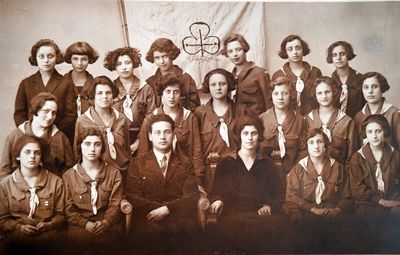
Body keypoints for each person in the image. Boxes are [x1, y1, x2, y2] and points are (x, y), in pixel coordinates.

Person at [208, 113, 295, 253]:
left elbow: (278, 194)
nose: (249, 137)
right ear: (239, 136)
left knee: (280, 227)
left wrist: (269, 205)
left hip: (260, 215)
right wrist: (217, 200)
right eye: (245, 133)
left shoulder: (268, 165)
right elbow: (216, 192)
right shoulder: (226, 163)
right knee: (236, 227)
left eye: (254, 133)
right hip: (234, 215)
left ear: (259, 136)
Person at [126, 113, 199, 253]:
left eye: (167, 132)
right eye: (157, 132)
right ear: (150, 136)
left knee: (188, 231)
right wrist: (157, 209)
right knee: (148, 235)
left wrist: (167, 209)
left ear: (173, 135)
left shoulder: (186, 162)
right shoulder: (137, 163)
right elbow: (132, 197)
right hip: (148, 217)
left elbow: (192, 196)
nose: (162, 137)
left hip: (178, 218)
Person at [284, 128, 352, 252]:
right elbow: (291, 196)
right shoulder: (299, 169)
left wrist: (337, 209)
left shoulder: (338, 167)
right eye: (311, 142)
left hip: (331, 213)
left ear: (325, 145)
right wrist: (312, 209)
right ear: (306, 146)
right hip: (307, 212)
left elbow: (347, 195)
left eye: (320, 141)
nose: (316, 146)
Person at [0, 135, 65, 254]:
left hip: (47, 239)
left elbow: (60, 215)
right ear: (18, 156)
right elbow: (2, 220)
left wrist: (48, 225)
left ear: (42, 157)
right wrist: (19, 228)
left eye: (37, 153)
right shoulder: (6, 184)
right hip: (16, 240)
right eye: (27, 152)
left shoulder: (56, 182)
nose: (32, 156)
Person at [137, 74, 205, 187]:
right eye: (168, 92)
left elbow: (196, 152)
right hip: (157, 175)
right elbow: (143, 153)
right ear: (161, 94)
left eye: (176, 92)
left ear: (181, 94)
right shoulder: (150, 119)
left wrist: (198, 180)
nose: (172, 96)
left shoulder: (189, 117)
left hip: (184, 174)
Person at [63, 128, 123, 251]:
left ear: (102, 148)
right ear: (80, 146)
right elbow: (68, 209)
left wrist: (106, 222)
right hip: (79, 226)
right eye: (87, 144)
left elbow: (115, 205)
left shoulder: (114, 173)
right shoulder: (69, 176)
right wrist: (85, 224)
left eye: (97, 144)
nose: (92, 149)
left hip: (107, 225)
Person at [349, 114, 400, 252]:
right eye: (370, 132)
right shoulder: (357, 158)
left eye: (378, 131)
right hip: (368, 203)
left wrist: (394, 200)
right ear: (365, 134)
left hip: (392, 200)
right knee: (370, 221)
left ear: (385, 132)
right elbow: (356, 188)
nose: (375, 136)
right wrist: (381, 201)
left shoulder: (395, 155)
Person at [14, 39, 76, 142]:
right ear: (35, 58)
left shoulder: (66, 83)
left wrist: (54, 133)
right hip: (30, 138)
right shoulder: (26, 83)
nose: (46, 60)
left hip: (57, 137)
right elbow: (19, 114)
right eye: (41, 56)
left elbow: (70, 115)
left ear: (57, 58)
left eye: (50, 56)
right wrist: (30, 132)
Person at [0, 92, 74, 179]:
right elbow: (4, 172)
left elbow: (69, 171)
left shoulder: (61, 138)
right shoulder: (15, 136)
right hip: (20, 190)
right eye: (46, 111)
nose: (50, 117)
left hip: (52, 190)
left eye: (53, 113)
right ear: (36, 110)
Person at [74, 76, 131, 178]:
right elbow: (78, 153)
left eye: (108, 93)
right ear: (93, 96)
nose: (104, 96)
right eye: (99, 93)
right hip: (95, 175)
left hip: (121, 173)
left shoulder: (121, 119)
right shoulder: (83, 121)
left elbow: (126, 149)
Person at [259, 76, 307, 191]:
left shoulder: (300, 121)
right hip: (265, 176)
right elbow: (256, 150)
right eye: (276, 94)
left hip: (292, 176)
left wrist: (295, 173)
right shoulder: (262, 119)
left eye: (284, 93)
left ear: (291, 95)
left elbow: (303, 151)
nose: (280, 98)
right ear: (271, 95)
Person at [104, 47, 155, 153]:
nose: (124, 67)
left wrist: (138, 142)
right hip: (116, 139)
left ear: (134, 63)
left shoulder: (145, 88)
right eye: (119, 64)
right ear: (114, 66)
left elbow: (151, 117)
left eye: (127, 63)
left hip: (143, 137)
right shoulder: (109, 89)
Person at [195, 68, 238, 192]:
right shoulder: (199, 113)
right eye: (213, 84)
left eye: (222, 84)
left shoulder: (240, 111)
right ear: (208, 87)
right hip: (208, 176)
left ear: (229, 85)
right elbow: (195, 149)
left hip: (235, 171)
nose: (218, 88)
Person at [305, 76, 358, 167]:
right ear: (315, 95)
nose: (324, 96)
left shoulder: (347, 121)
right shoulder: (308, 120)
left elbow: (352, 156)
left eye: (327, 92)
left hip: (340, 174)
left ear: (333, 92)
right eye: (319, 93)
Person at [221, 34, 272, 116]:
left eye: (238, 49)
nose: (235, 54)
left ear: (244, 49)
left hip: (256, 124)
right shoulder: (229, 77)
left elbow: (269, 104)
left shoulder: (259, 73)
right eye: (230, 51)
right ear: (226, 54)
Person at [272, 34, 322, 115]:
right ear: (286, 52)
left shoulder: (315, 72)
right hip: (290, 121)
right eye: (290, 49)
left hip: (313, 119)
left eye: (298, 48)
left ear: (303, 50)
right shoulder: (278, 75)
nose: (295, 52)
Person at [145, 38, 200, 111]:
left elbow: (196, 108)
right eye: (157, 58)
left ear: (171, 55)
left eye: (164, 56)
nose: (162, 61)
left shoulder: (186, 78)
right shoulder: (150, 82)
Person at [63, 42, 99, 143]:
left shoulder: (96, 84)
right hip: (65, 134)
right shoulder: (61, 83)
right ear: (70, 59)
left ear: (90, 60)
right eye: (75, 59)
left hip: (90, 135)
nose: (79, 63)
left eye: (84, 59)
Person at [354, 72, 400, 150]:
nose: (370, 91)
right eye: (366, 87)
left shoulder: (394, 114)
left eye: (374, 87)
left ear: (382, 88)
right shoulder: (359, 116)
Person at [326, 41, 365, 118]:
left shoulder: (361, 79)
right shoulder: (327, 82)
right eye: (334, 55)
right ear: (331, 58)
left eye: (342, 54)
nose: (338, 58)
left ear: (348, 55)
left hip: (358, 124)